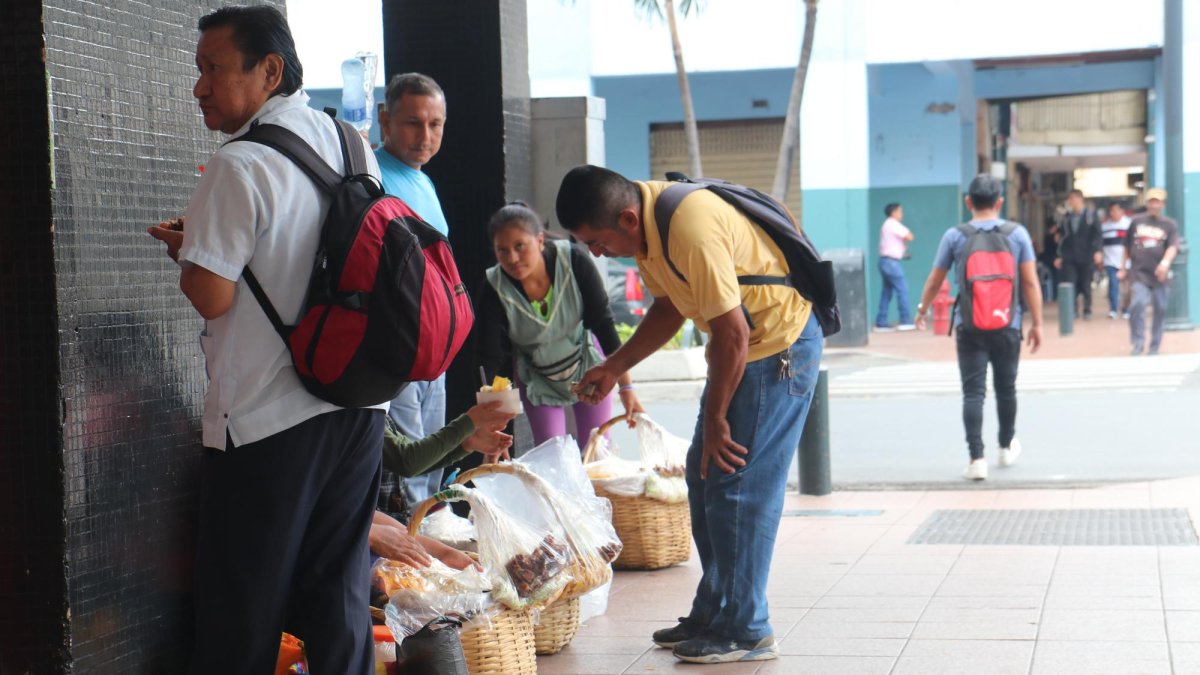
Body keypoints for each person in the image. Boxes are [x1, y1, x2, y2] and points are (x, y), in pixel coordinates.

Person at [147, 7, 383, 673]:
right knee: (338, 593)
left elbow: (212, 293)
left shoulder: (239, 163)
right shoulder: (352, 143)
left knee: (241, 606)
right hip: (357, 405)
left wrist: (188, 252)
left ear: (269, 70)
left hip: (266, 418)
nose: (199, 87)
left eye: (212, 69)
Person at [559, 165, 822, 664]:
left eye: (596, 241)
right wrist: (615, 367)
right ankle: (717, 610)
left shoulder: (689, 226)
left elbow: (733, 333)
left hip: (777, 349)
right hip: (748, 349)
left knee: (737, 487)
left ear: (628, 219)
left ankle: (748, 629)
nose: (595, 253)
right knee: (704, 481)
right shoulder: (651, 233)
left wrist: (719, 415)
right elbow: (670, 307)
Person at [477, 202, 643, 450]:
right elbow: (490, 356)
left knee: (597, 452)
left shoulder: (574, 262)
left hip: (588, 364)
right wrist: (492, 423)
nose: (512, 258)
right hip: (537, 377)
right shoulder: (494, 286)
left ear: (540, 241)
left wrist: (626, 388)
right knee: (551, 456)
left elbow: (603, 325)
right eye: (502, 250)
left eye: (520, 246)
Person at [914, 174, 1042, 481]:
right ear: (999, 202)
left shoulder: (955, 236)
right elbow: (1029, 282)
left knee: (973, 393)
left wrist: (923, 309)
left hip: (968, 325)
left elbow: (935, 280)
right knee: (1006, 387)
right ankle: (1005, 445)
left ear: (968, 202)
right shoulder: (1017, 234)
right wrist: (1037, 322)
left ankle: (976, 459)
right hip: (1008, 324)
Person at [374, 72, 451, 514]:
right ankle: (417, 553)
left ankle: (431, 541)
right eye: (413, 123)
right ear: (385, 120)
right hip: (399, 344)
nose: (425, 136)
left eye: (435, 124)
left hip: (434, 348)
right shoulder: (372, 175)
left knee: (432, 451)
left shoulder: (425, 182)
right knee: (410, 461)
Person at [1121, 188, 1180, 356]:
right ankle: (1138, 342)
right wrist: (1123, 268)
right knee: (1137, 304)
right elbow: (1126, 247)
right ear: (1147, 203)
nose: (1154, 205)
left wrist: (1165, 263)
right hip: (1139, 273)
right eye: (1151, 201)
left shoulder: (1169, 225)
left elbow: (1173, 246)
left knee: (1160, 307)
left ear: (1162, 204)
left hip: (1159, 274)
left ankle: (1154, 345)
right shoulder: (1136, 222)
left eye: (1158, 202)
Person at [1054, 189, 1102, 319]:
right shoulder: (1067, 217)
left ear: (1080, 199)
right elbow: (1062, 237)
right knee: (1071, 283)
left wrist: (1098, 251)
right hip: (1069, 256)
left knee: (1086, 284)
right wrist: (1059, 256)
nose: (1071, 202)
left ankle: (1087, 309)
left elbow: (1097, 234)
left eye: (1073, 199)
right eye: (1069, 199)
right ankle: (1073, 310)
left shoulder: (1090, 215)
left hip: (1087, 255)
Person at [875, 203, 916, 331]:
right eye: (900, 211)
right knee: (903, 290)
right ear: (893, 212)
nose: (901, 214)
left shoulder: (887, 224)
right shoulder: (892, 223)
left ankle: (881, 322)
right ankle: (905, 320)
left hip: (885, 261)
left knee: (886, 293)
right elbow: (910, 235)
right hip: (891, 262)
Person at [1100, 202, 1132, 319]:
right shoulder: (1105, 226)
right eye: (1111, 211)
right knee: (1113, 285)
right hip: (1111, 262)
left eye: (1116, 210)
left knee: (1127, 288)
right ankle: (1113, 309)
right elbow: (1101, 244)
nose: (1113, 213)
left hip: (1127, 263)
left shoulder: (1129, 224)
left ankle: (1126, 309)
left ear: (1122, 211)